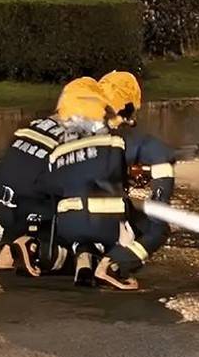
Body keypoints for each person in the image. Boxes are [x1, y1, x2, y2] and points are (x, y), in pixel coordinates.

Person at [40, 78, 138, 290]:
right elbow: (118, 178)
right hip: (103, 221)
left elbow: (52, 186)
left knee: (81, 225)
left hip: (68, 224)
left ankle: (83, 261)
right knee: (139, 223)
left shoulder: (58, 148)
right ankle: (111, 267)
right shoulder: (112, 141)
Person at [97, 71, 177, 280]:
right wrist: (159, 199)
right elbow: (161, 158)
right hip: (104, 218)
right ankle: (115, 263)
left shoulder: (77, 130)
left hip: (66, 221)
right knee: (158, 227)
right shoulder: (130, 137)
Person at [0, 91, 73, 277]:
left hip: (0, 204)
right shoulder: (77, 135)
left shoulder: (35, 125)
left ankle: (9, 249)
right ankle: (34, 248)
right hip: (32, 209)